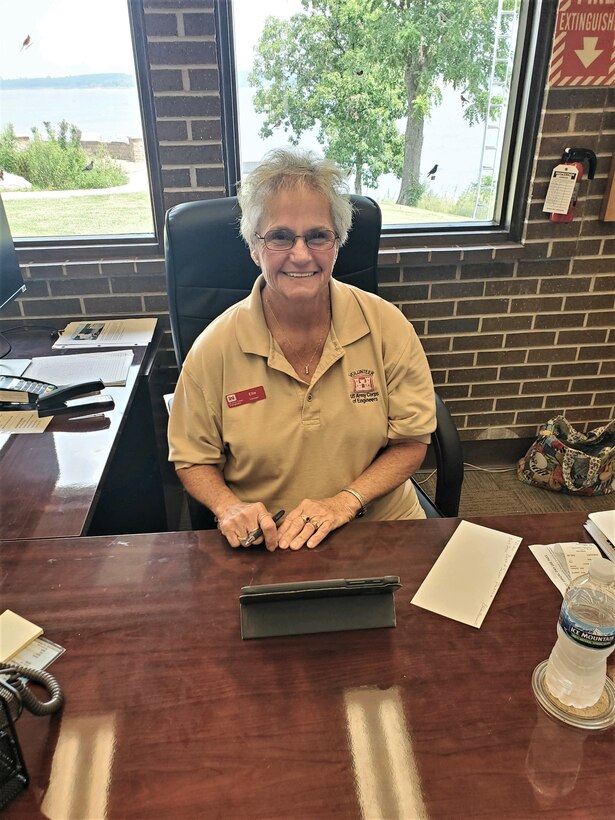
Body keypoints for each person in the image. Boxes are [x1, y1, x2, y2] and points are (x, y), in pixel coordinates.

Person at [168, 148, 436, 551]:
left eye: (317, 236)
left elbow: (412, 443)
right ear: (254, 247)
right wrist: (227, 507)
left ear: (337, 243)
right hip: (274, 540)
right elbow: (193, 458)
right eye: (279, 236)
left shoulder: (387, 328)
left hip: (380, 525)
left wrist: (346, 502)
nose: (300, 254)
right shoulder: (214, 348)